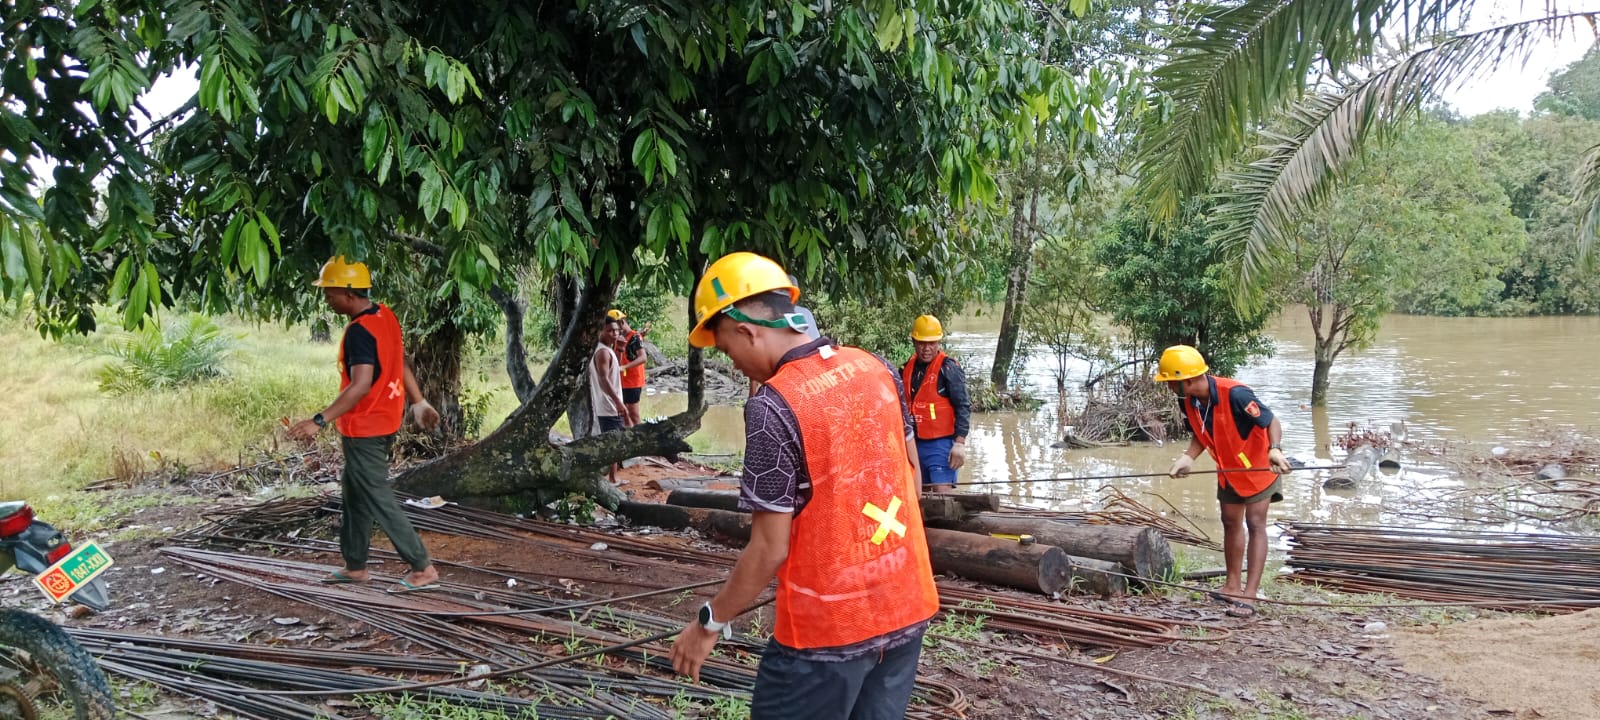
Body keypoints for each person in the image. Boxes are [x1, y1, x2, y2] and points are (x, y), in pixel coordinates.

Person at [670, 252, 939, 719]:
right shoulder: (877, 369)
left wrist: (709, 622)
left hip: (824, 638)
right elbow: (911, 483)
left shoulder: (774, 406)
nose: (733, 364)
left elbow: (769, 549)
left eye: (727, 350)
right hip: (906, 611)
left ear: (746, 330)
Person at [287, 257, 442, 594]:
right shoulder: (384, 316)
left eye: (330, 293)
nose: (327, 299)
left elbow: (359, 385)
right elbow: (398, 361)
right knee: (354, 493)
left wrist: (319, 421)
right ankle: (355, 565)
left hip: (366, 427)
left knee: (375, 495)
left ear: (349, 293)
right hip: (384, 421)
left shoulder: (359, 331)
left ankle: (422, 567)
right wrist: (418, 402)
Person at [1159, 344, 1291, 618]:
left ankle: (1250, 594)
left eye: (1171, 383)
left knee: (1255, 523)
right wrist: (1188, 457)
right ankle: (1232, 585)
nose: (1169, 388)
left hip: (1259, 467)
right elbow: (1200, 431)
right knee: (1230, 522)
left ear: (1188, 380)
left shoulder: (1236, 394)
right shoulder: (1189, 401)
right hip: (1228, 469)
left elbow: (1270, 421)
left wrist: (1275, 449)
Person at [902, 315, 970, 493]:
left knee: (943, 496)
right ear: (914, 341)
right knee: (919, 496)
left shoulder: (948, 368)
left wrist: (960, 443)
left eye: (931, 343)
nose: (926, 349)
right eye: (921, 343)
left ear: (939, 342)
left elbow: (963, 406)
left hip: (940, 445)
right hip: (914, 445)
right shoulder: (906, 369)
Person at [590, 316, 632, 482]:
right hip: (608, 406)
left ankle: (613, 477)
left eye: (616, 330)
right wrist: (618, 402)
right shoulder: (602, 352)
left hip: (608, 404)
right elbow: (603, 379)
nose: (615, 333)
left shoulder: (606, 350)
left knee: (613, 441)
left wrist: (620, 350)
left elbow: (614, 368)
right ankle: (613, 479)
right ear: (601, 331)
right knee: (613, 443)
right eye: (610, 330)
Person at [607, 309, 650, 426]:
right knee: (623, 414)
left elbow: (643, 358)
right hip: (621, 382)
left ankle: (640, 439)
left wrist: (625, 367)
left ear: (622, 322)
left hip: (633, 382)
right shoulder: (617, 338)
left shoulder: (635, 337)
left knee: (633, 414)